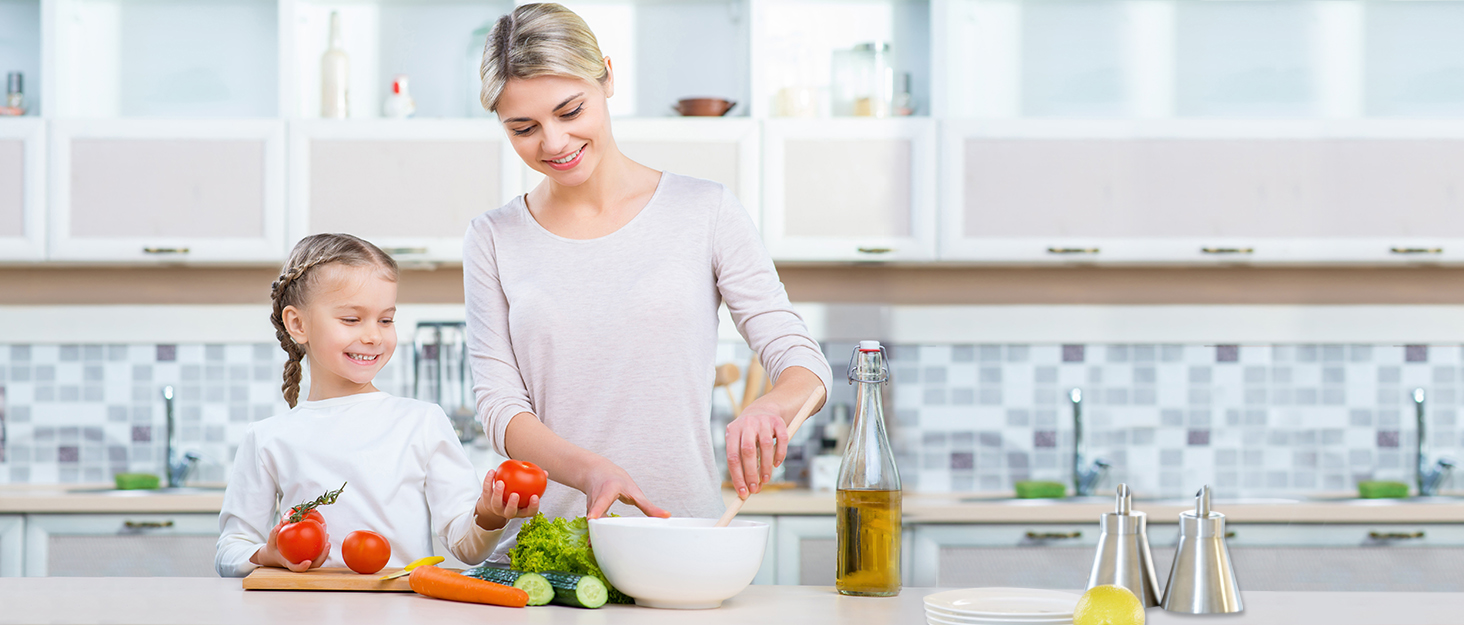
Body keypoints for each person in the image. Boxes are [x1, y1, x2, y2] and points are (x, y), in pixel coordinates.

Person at [467, 3, 833, 563]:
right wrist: (592, 471)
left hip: (681, 541)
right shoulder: (493, 237)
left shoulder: (705, 211)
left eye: (570, 110)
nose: (554, 142)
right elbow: (499, 406)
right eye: (524, 127)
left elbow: (801, 359)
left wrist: (772, 406)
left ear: (607, 77)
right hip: (547, 551)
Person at [215, 233, 539, 577]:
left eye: (385, 320)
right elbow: (230, 551)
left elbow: (467, 548)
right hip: (308, 612)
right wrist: (268, 554)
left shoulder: (422, 422)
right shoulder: (268, 438)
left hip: (401, 611)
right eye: (351, 320)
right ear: (298, 324)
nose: (373, 335)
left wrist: (490, 515)